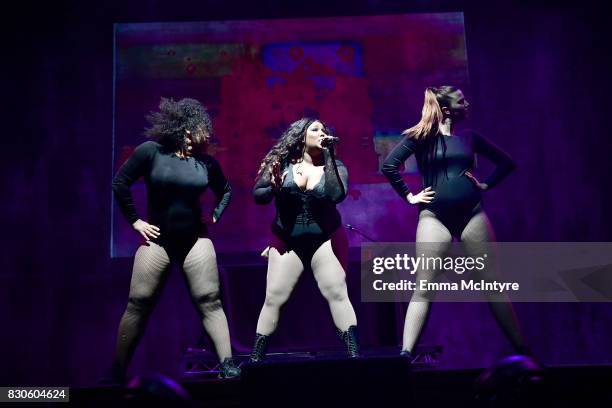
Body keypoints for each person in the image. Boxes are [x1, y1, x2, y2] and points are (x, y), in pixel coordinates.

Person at [382, 86, 530, 358]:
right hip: (434, 217)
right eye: (461, 100)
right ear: (447, 109)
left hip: (472, 213)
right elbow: (389, 165)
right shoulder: (421, 137)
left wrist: (486, 184)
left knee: (493, 284)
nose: (468, 102)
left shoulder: (469, 138)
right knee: (424, 286)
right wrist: (409, 197)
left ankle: (524, 351)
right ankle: (404, 356)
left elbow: (506, 162)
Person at [107, 97, 240, 382]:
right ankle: (117, 371)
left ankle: (228, 365)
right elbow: (120, 183)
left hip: (195, 239)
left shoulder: (205, 163)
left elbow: (226, 190)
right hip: (158, 240)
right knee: (138, 304)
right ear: (189, 127)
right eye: (205, 127)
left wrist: (215, 214)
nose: (209, 133)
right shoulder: (151, 152)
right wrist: (135, 221)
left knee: (210, 302)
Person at [249, 118, 359, 362]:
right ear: (301, 136)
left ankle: (354, 356)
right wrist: (274, 188)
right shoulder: (281, 164)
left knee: (337, 291)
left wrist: (329, 156)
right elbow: (258, 196)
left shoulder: (336, 166)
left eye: (325, 129)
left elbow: (336, 195)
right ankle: (255, 361)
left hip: (325, 238)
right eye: (315, 129)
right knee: (274, 297)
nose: (322, 132)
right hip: (287, 239)